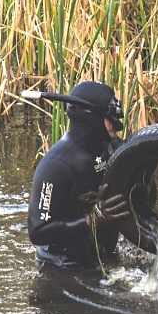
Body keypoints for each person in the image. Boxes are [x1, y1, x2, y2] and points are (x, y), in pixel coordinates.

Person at [27, 81, 131, 269]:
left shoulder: (110, 145)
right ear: (89, 119)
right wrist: (93, 218)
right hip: (62, 266)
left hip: (103, 255)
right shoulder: (56, 167)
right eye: (109, 118)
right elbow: (37, 231)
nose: (116, 125)